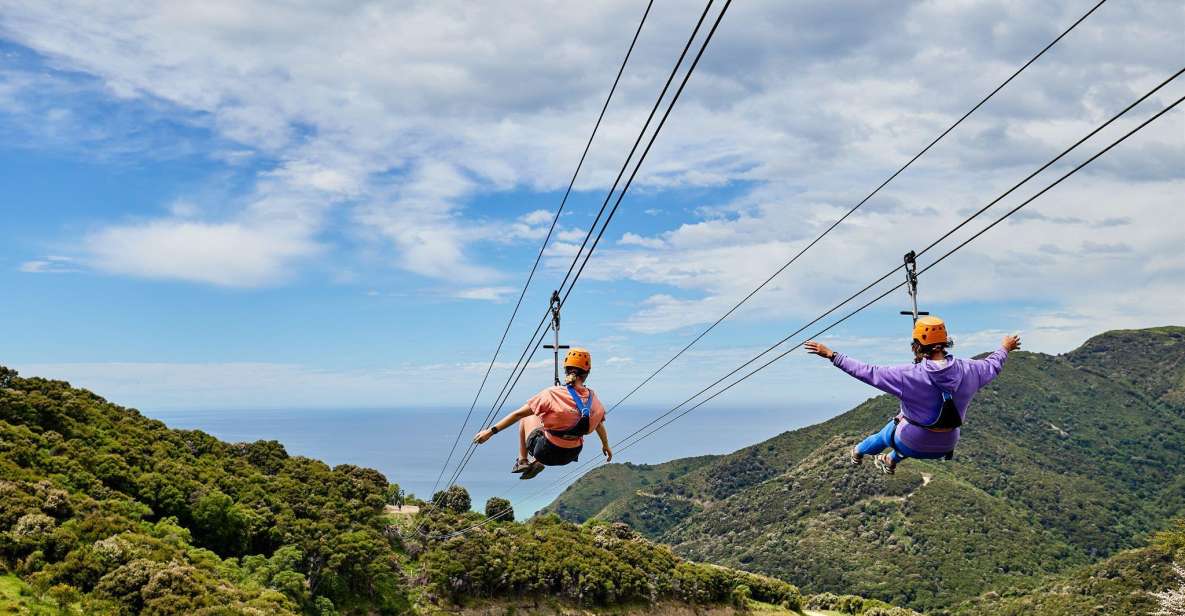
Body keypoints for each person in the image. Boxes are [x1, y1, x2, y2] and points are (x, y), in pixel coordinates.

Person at [804, 316, 1021, 474]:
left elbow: (867, 372)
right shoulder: (972, 369)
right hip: (947, 444)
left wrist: (832, 355)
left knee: (890, 432)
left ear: (917, 346)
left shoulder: (908, 375)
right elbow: (994, 363)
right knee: (916, 432)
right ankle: (890, 461)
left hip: (912, 441)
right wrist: (1005, 347)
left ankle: (858, 452)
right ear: (946, 342)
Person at [473, 348, 612, 480]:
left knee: (528, 416)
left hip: (546, 452)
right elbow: (599, 425)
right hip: (572, 454)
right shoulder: (595, 401)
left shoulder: (552, 393)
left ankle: (522, 460)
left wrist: (490, 432)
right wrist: (605, 445)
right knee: (551, 422)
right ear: (587, 372)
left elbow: (517, 414)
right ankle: (533, 459)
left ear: (566, 370)